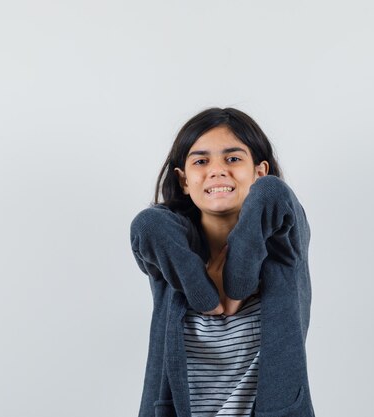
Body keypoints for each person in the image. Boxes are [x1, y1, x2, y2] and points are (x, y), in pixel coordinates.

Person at [130, 108, 315, 417]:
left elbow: (273, 194)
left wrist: (237, 280)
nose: (217, 170)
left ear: (259, 171)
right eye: (201, 161)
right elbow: (148, 226)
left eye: (233, 159)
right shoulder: (172, 257)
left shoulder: (284, 250)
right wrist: (206, 294)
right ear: (183, 179)